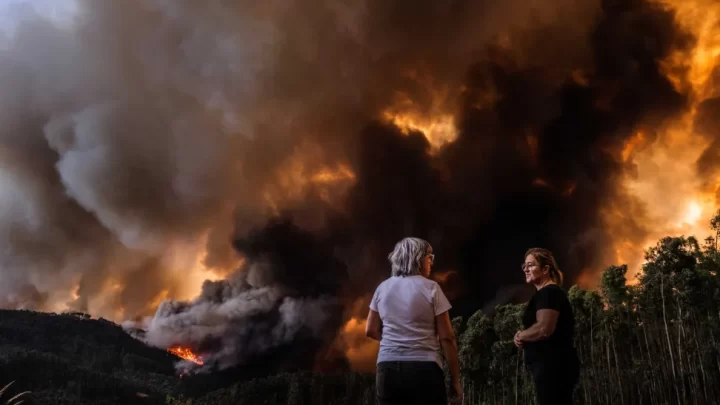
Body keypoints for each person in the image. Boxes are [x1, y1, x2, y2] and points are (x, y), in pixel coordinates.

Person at [365, 237, 463, 405]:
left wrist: (393, 341)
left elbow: (370, 330)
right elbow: (447, 337)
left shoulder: (382, 288)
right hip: (424, 368)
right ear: (417, 258)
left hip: (387, 368)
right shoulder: (431, 288)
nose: (432, 262)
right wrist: (455, 380)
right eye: (429, 257)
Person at [514, 247, 580, 405]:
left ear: (545, 269)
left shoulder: (549, 293)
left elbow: (544, 328)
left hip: (553, 368)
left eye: (531, 265)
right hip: (549, 368)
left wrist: (520, 335)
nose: (526, 269)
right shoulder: (544, 294)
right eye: (524, 266)